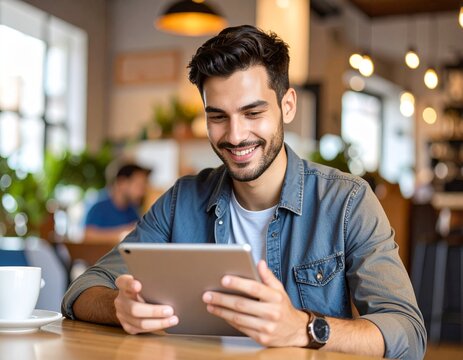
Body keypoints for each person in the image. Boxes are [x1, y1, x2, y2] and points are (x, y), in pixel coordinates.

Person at [62, 25, 426, 359]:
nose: (235, 136)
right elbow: (83, 290)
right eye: (218, 116)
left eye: (252, 113)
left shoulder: (347, 202)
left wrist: (304, 329)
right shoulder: (181, 201)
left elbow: (408, 332)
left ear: (287, 106)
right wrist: (119, 307)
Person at [83, 163, 151, 244]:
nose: (142, 192)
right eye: (139, 185)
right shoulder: (98, 209)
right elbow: (88, 236)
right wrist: (122, 234)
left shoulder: (133, 213)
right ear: (122, 183)